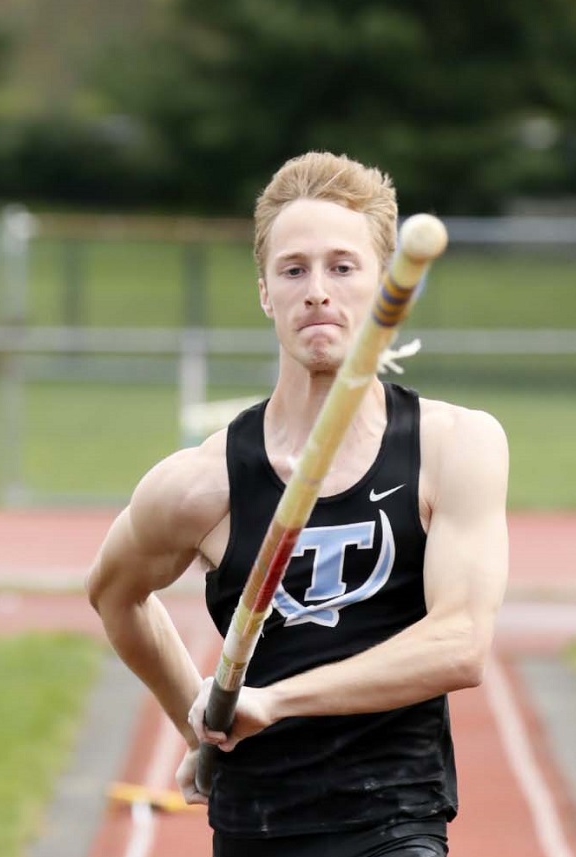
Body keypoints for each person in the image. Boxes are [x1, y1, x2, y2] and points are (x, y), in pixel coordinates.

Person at [85, 150, 510, 856]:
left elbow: (460, 644)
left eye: (342, 267)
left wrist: (275, 700)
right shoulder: (202, 483)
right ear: (264, 292)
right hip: (255, 824)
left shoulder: (453, 447)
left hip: (394, 819)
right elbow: (113, 593)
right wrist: (199, 719)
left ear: (385, 287)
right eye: (293, 270)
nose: (317, 291)